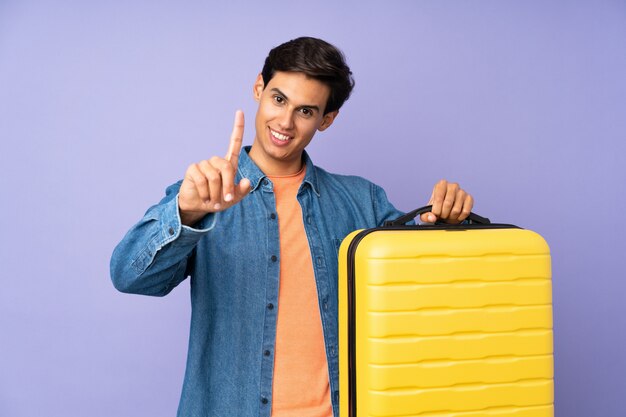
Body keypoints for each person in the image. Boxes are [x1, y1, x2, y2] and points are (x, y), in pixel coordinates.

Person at [110, 37, 474, 417]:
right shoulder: (206, 193)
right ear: (258, 88)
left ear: (326, 120)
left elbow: (425, 295)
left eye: (305, 111)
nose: (284, 122)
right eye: (279, 99)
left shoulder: (362, 202)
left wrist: (445, 224)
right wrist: (186, 212)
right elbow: (129, 276)